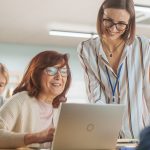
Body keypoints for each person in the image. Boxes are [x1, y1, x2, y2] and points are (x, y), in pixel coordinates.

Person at [77, 0, 150, 139]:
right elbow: (95, 95)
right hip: (107, 136)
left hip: (139, 135)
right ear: (100, 17)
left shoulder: (144, 47)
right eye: (108, 21)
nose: (113, 28)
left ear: (130, 24)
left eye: (121, 24)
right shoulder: (86, 49)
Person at [0, 50, 71, 148]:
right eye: (51, 70)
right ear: (37, 73)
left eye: (63, 71)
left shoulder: (62, 109)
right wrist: (35, 137)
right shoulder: (20, 100)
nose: (59, 76)